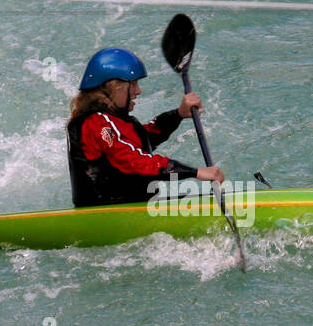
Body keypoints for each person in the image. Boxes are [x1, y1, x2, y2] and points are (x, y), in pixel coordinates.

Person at [67, 47, 224, 207]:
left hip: (132, 203)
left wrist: (178, 114)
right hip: (107, 208)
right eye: (133, 84)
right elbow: (133, 160)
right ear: (112, 87)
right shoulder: (95, 123)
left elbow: (146, 137)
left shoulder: (112, 121)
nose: (138, 91)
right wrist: (195, 172)